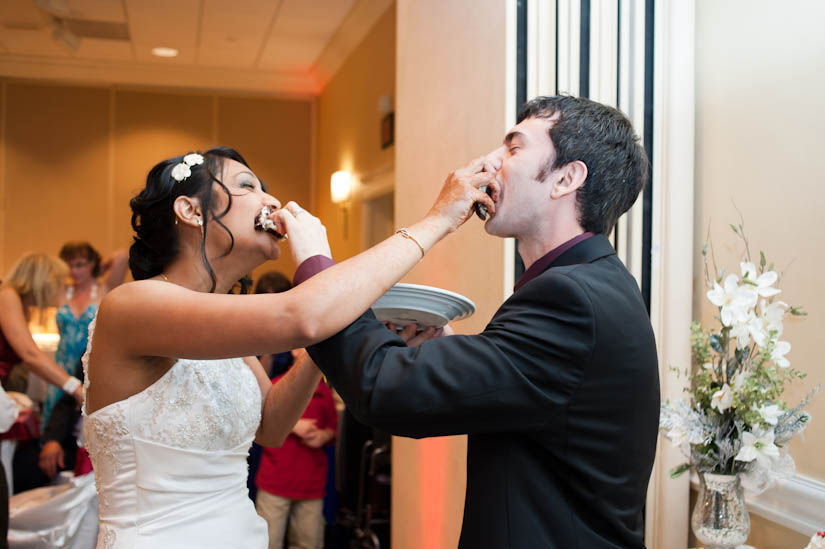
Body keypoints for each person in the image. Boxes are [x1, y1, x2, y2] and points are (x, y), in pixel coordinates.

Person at [82, 146, 494, 548]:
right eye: (248, 186)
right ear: (190, 211)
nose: (272, 200)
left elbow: (272, 427)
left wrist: (325, 336)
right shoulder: (131, 306)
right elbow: (303, 316)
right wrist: (438, 219)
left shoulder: (229, 318)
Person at [301, 96, 660, 548]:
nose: (486, 162)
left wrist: (317, 275)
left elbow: (385, 388)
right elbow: (534, 396)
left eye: (512, 148)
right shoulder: (596, 283)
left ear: (566, 179)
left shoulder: (570, 299)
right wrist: (443, 347)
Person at [40, 243, 127, 428]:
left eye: (80, 265)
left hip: (91, 365)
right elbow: (42, 278)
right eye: (69, 265)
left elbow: (121, 256)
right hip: (62, 365)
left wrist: (99, 268)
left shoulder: (105, 288)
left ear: (92, 264)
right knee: (54, 422)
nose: (74, 271)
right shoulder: (62, 290)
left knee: (85, 420)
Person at [255, 366, 337, 549]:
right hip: (275, 483)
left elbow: (333, 427)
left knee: (308, 541)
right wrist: (293, 425)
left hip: (311, 484)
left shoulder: (324, 393)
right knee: (268, 540)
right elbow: (259, 423)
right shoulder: (275, 387)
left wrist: (324, 435)